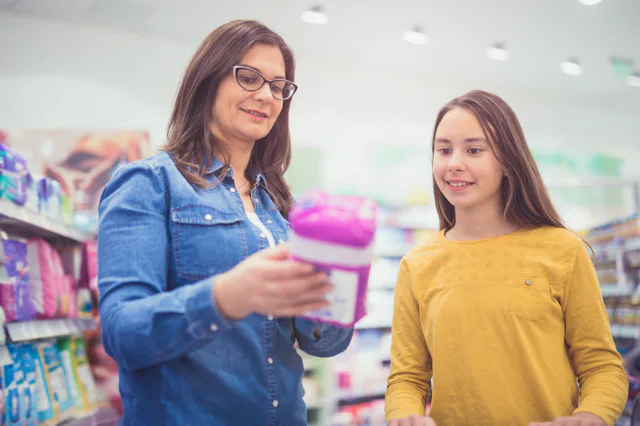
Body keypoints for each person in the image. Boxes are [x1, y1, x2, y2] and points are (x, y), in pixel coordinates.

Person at [97, 20, 354, 425]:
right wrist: (226, 296)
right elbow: (122, 333)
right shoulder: (150, 183)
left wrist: (340, 294)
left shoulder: (284, 208)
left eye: (278, 86)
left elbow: (321, 346)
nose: (265, 96)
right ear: (208, 80)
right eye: (248, 77)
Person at [385, 90, 628, 426]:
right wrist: (405, 417)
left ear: (508, 160)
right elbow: (407, 379)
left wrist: (589, 417)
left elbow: (602, 367)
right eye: (443, 150)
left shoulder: (563, 250)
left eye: (474, 149)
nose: (454, 162)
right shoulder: (417, 264)